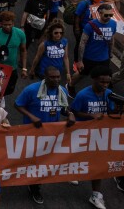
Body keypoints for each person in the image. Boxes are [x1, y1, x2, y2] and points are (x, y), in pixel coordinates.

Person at [14, 65, 75, 203]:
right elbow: (17, 105)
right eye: (52, 77)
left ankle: (34, 185)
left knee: (41, 161)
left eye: (58, 77)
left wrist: (70, 114)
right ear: (45, 77)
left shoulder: (62, 91)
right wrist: (31, 116)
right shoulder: (31, 90)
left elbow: (64, 109)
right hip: (32, 133)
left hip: (51, 135)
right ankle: (34, 186)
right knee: (33, 159)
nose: (56, 80)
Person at [70, 66, 121, 209]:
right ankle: (74, 172)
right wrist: (90, 116)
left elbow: (111, 111)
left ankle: (96, 195)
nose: (105, 85)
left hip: (101, 136)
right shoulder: (83, 95)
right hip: (83, 134)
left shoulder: (110, 94)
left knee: (98, 165)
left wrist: (117, 109)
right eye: (102, 82)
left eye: (107, 82)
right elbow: (73, 111)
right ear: (94, 80)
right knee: (80, 157)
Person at [69, 2, 116, 95]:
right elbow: (82, 43)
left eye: (111, 15)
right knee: (82, 74)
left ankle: (100, 93)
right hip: (90, 57)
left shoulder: (113, 24)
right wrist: (80, 60)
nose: (109, 17)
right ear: (99, 13)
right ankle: (70, 85)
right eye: (106, 15)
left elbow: (111, 39)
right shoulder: (90, 25)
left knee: (104, 76)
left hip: (104, 57)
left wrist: (110, 52)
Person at [0, 11, 27, 99]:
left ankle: (0, 98)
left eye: (10, 24)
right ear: (0, 24)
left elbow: (23, 50)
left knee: (10, 90)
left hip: (12, 68)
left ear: (13, 23)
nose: (8, 27)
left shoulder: (20, 34)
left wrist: (24, 68)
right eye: (5, 24)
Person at [28, 19, 71, 84]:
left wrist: (68, 73)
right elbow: (38, 57)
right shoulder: (45, 44)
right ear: (51, 33)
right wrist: (32, 69)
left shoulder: (64, 42)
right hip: (45, 73)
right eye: (56, 33)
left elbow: (65, 57)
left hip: (57, 73)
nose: (59, 35)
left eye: (60, 33)